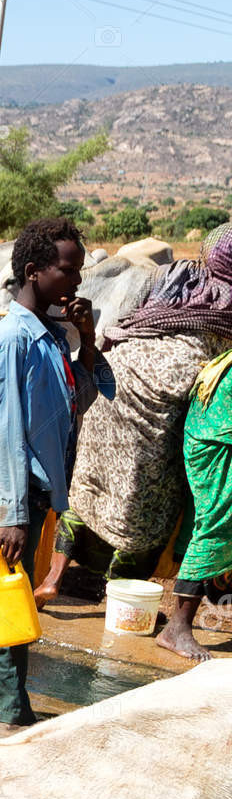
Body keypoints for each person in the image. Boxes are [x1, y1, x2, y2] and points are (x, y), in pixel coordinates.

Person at [0, 218, 111, 728]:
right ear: (35, 272)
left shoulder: (52, 338)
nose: (78, 281)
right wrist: (15, 514)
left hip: (26, 486)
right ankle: (9, 710)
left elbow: (85, 395)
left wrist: (85, 336)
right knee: (9, 592)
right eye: (69, 270)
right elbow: (8, 433)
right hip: (14, 487)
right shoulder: (11, 342)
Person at [123, 224, 232, 659]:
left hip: (213, 423)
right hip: (218, 433)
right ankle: (178, 627)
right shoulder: (218, 304)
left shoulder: (210, 297)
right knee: (218, 521)